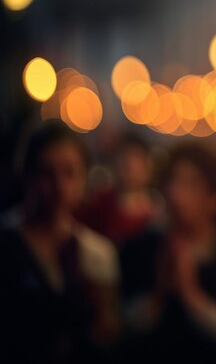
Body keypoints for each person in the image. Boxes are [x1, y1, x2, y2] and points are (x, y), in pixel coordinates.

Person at [119, 140, 216, 364]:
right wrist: (159, 293)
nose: (176, 193)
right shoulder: (141, 248)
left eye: (192, 184)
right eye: (172, 180)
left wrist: (193, 298)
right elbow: (120, 329)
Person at [0, 120, 119, 364]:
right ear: (28, 174)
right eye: (47, 173)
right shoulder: (7, 243)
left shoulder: (96, 252)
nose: (59, 186)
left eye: (70, 172)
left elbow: (107, 335)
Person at [79, 133, 161, 245]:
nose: (129, 163)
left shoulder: (157, 213)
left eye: (137, 157)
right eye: (124, 156)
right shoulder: (98, 204)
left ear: (148, 168)